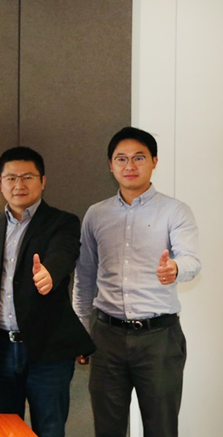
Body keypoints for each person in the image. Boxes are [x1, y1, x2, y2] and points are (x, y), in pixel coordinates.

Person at [73, 127, 201, 437]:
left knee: (161, 428)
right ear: (111, 165)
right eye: (122, 159)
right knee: (108, 429)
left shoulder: (175, 211)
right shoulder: (96, 214)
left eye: (139, 158)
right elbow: (85, 276)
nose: (130, 166)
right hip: (106, 337)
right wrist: (81, 332)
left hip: (159, 338)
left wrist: (174, 269)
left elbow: (192, 261)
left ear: (154, 161)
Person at [0, 147, 95, 437]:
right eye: (11, 178)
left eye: (27, 177)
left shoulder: (62, 222)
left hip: (47, 350)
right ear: (1, 183)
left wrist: (49, 273)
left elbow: (64, 254)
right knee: (2, 431)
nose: (19, 184)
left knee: (49, 429)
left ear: (43, 181)